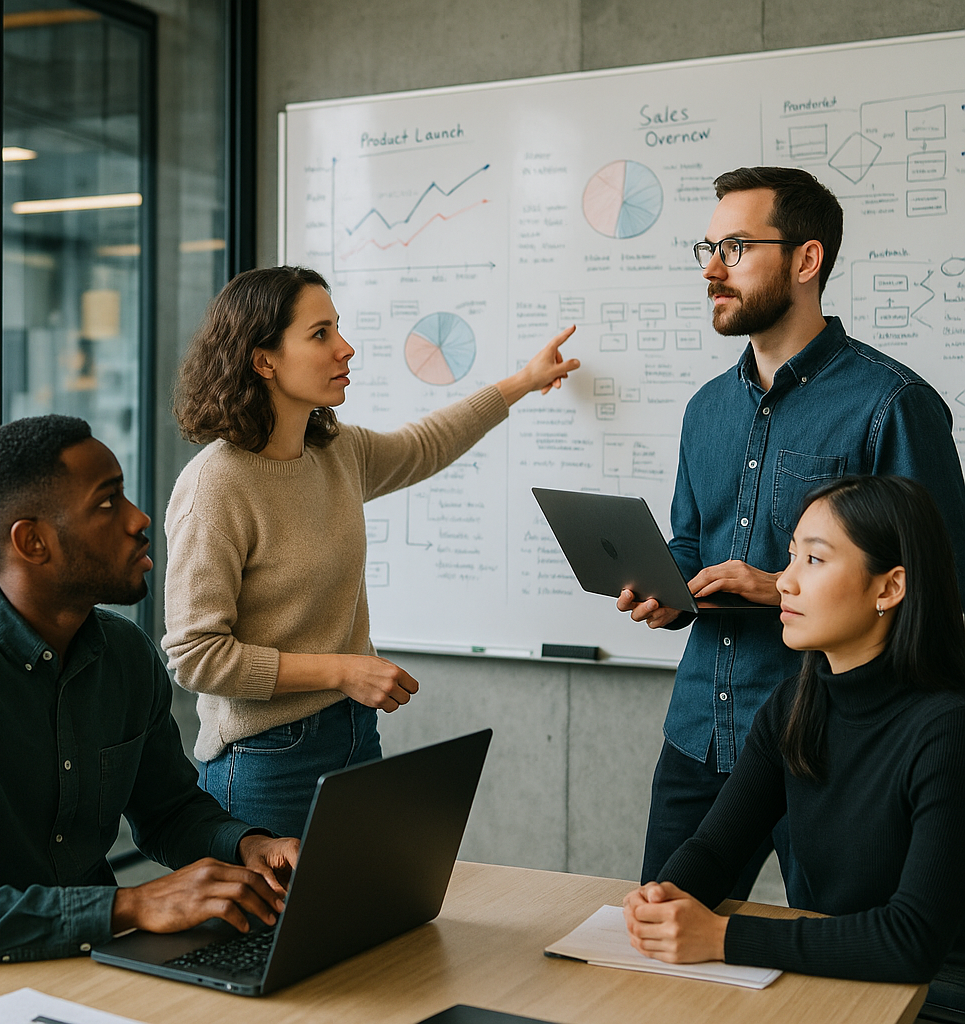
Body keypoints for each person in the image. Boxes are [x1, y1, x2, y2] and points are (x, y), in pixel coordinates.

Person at [616, 166, 965, 900]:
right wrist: (667, 589)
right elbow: (690, 544)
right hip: (699, 732)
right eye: (706, 248)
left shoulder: (892, 403)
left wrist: (774, 586)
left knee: (842, 976)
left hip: (832, 741)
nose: (712, 269)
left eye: (736, 247)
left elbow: (936, 588)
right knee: (659, 938)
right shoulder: (705, 409)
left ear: (807, 261)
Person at [163, 265, 579, 839]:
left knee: (359, 926)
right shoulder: (216, 486)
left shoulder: (335, 452)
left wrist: (522, 382)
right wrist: (341, 670)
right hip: (265, 759)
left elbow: (426, 444)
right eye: (320, 334)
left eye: (338, 329)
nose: (346, 348)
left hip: (354, 732)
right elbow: (195, 657)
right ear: (264, 360)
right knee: (267, 932)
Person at [0, 415, 300, 965]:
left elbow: (169, 810)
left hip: (97, 964)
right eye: (108, 503)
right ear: (32, 541)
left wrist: (249, 846)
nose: (139, 519)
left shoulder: (126, 653)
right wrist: (126, 907)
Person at [623, 474, 965, 1017]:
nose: (785, 582)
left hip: (935, 998)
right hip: (834, 980)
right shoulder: (793, 704)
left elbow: (912, 940)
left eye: (815, 560)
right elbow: (715, 849)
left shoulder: (947, 728)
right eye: (790, 557)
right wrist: (665, 894)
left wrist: (720, 938)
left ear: (889, 587)